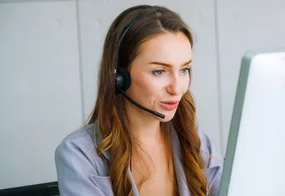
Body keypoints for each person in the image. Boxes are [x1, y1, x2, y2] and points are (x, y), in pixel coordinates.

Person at [54, 5, 222, 196]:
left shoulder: (195, 140)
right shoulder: (79, 154)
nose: (177, 89)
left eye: (184, 70)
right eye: (159, 71)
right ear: (120, 77)